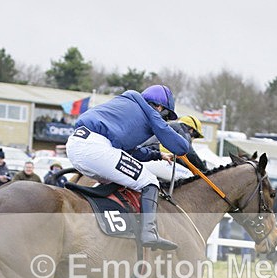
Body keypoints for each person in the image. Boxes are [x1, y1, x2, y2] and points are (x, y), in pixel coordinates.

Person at [65, 84, 190, 250]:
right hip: (96, 148)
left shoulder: (128, 104)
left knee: (117, 180)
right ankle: (149, 233)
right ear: (159, 107)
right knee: (150, 181)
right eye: (166, 116)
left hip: (76, 144)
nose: (165, 120)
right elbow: (181, 147)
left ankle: (103, 223)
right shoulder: (151, 112)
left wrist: (157, 155)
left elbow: (130, 151)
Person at [141, 115, 207, 181]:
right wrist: (204, 169)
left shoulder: (172, 127)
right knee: (188, 176)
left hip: (145, 154)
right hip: (153, 155)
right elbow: (189, 152)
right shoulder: (182, 129)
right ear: (191, 130)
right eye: (195, 136)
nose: (192, 139)